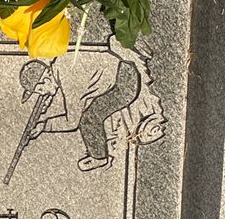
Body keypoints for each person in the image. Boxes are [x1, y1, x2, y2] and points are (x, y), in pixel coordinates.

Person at [19, 35, 165, 173]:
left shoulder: (69, 80)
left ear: (44, 81)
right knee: (90, 112)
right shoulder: (61, 64)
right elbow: (56, 87)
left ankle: (99, 158)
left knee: (88, 118)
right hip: (118, 75)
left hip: (124, 82)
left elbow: (72, 122)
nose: (41, 94)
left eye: (39, 90)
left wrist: (44, 126)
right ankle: (99, 154)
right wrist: (50, 99)